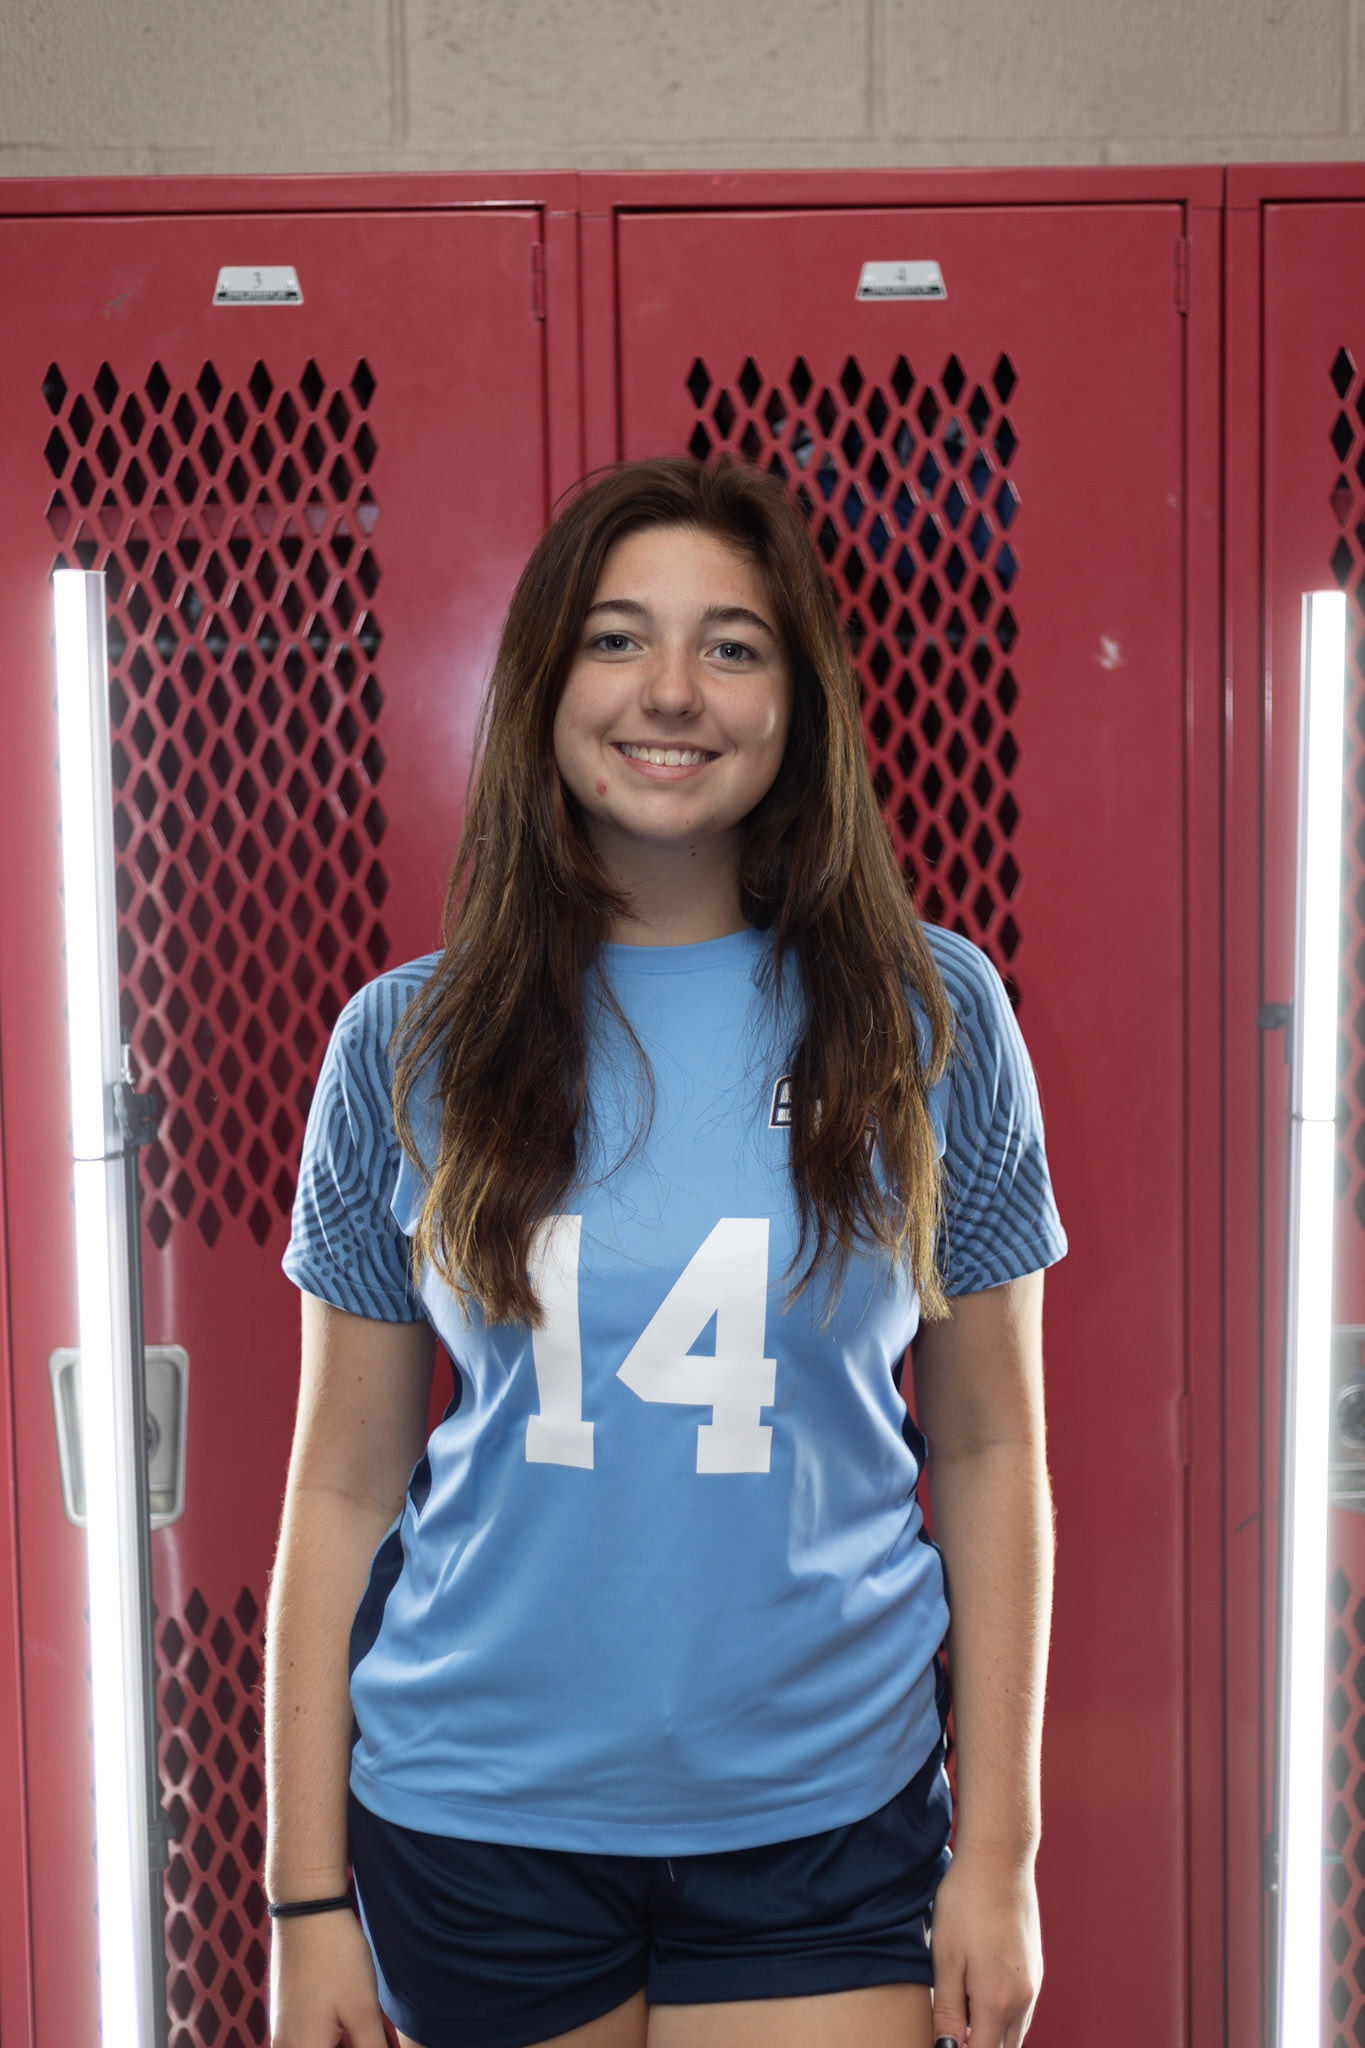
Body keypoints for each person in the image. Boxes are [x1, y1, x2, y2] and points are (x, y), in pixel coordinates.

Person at [264, 454, 1066, 2048]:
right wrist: (302, 1903)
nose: (674, 692)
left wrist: (1000, 1851)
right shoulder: (399, 1045)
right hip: (478, 1814)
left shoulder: (934, 1015)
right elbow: (343, 1485)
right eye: (620, 638)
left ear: (800, 698)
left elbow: (985, 1443)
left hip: (823, 1816)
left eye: (734, 645)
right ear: (544, 685)